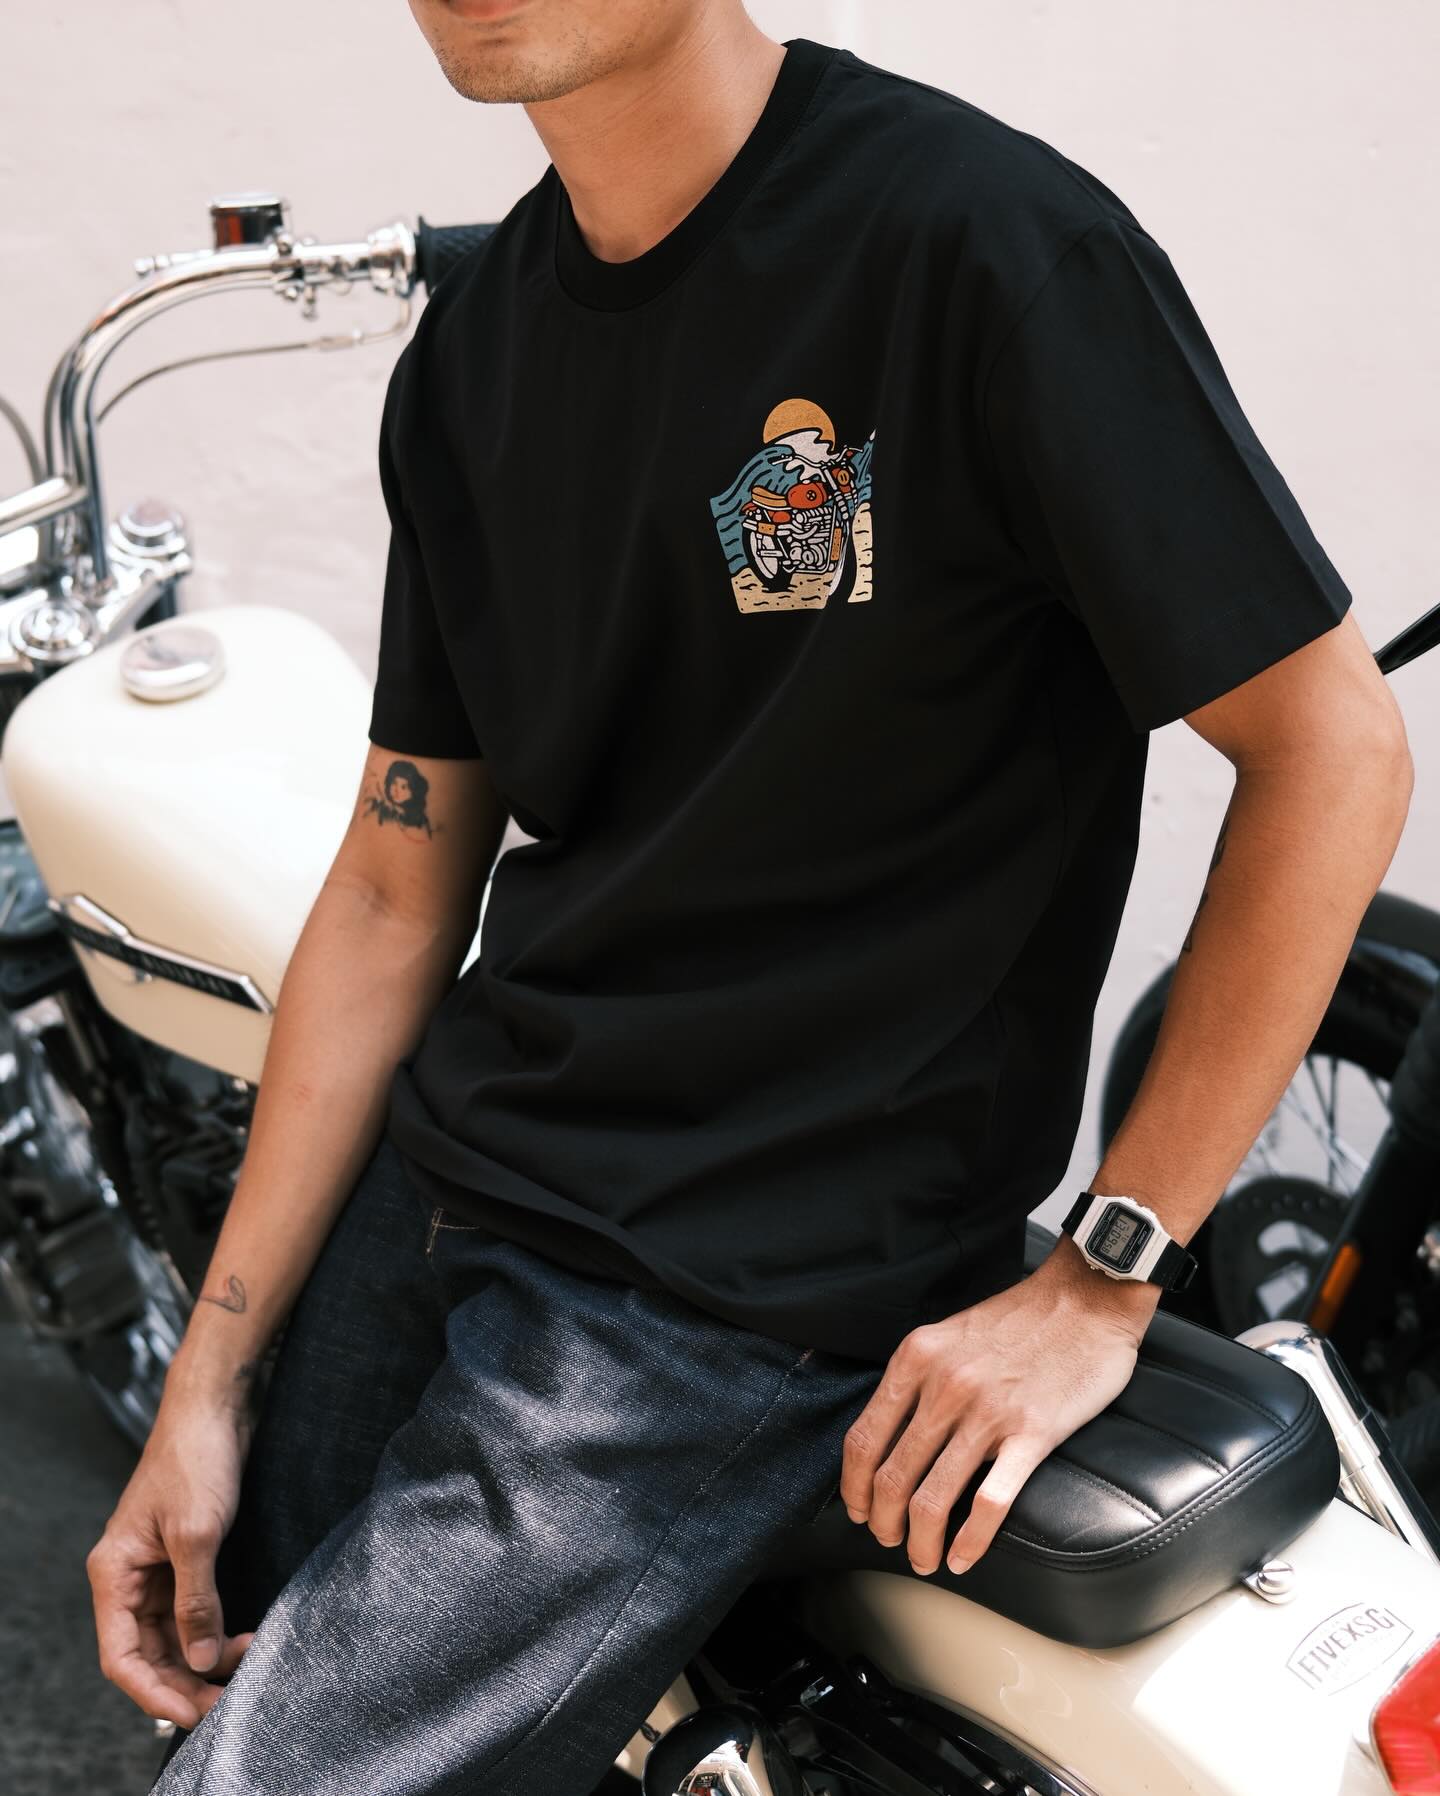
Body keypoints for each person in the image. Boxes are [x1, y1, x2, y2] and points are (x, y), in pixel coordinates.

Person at [84, 5, 1412, 1792]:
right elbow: (399, 885)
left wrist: (1106, 1274)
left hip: (723, 1300)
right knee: (211, 1666)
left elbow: (1334, 749)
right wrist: (205, 1387)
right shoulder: (477, 351)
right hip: (457, 1174)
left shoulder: (982, 245)